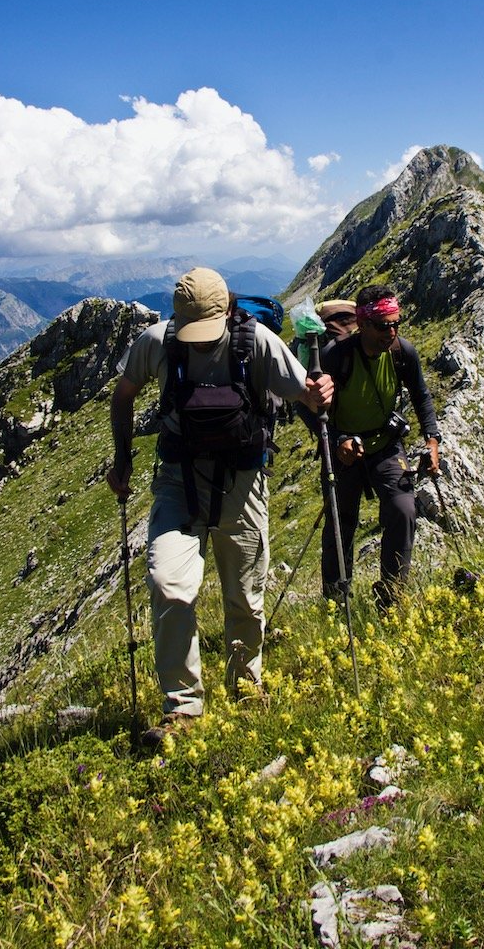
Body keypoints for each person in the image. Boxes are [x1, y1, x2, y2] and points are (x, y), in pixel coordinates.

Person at [106, 267, 333, 746]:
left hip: (243, 482)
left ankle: (246, 687)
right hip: (177, 481)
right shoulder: (157, 342)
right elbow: (123, 394)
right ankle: (183, 708)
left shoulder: (258, 343)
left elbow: (305, 395)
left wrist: (319, 393)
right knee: (169, 584)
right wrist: (122, 458)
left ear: (228, 311)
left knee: (246, 595)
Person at [320, 283, 440, 609]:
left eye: (396, 323)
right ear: (363, 324)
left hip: (385, 445)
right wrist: (336, 442)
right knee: (340, 525)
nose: (392, 331)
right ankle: (336, 603)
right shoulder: (337, 356)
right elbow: (311, 408)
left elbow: (421, 395)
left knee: (403, 510)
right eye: (384, 325)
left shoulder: (403, 353)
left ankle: (391, 596)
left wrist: (432, 440)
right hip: (344, 450)